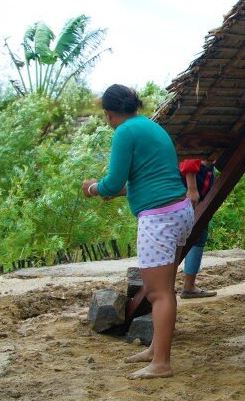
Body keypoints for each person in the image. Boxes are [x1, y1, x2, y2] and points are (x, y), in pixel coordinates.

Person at [82, 84, 192, 380]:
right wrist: (112, 191)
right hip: (180, 211)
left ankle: (162, 363)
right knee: (166, 290)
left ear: (108, 114)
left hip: (159, 219)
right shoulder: (151, 127)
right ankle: (155, 350)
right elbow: (144, 180)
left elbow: (113, 181)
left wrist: (93, 189)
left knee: (158, 294)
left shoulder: (124, 132)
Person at [179, 158, 217, 298]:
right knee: (190, 236)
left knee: (199, 235)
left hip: (201, 187)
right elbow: (189, 160)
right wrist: (192, 188)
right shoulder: (199, 143)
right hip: (190, 189)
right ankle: (186, 286)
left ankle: (189, 285)